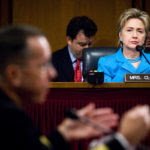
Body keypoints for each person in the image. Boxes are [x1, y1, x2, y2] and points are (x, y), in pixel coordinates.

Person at [0, 24, 118, 150]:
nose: (53, 73)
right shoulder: (9, 118)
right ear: (14, 75)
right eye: (43, 66)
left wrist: (62, 133)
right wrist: (121, 142)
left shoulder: (10, 112)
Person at [97, 8, 150, 82]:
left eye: (140, 31)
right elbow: (105, 93)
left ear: (145, 37)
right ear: (120, 35)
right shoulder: (106, 63)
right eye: (129, 30)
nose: (135, 35)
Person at [52, 16, 97, 82]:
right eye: (82, 44)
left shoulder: (98, 61)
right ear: (69, 40)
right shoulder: (53, 61)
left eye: (90, 44)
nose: (87, 48)